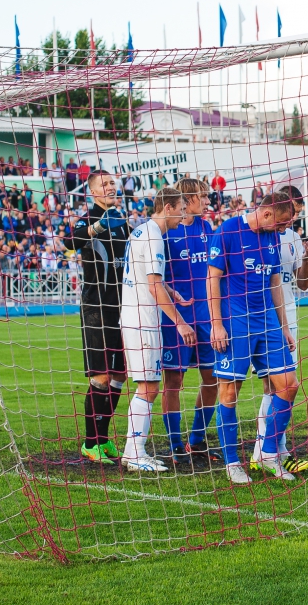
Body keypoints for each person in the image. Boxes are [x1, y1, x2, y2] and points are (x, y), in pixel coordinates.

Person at [207, 193, 299, 484]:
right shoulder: (228, 231)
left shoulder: (273, 237)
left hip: (268, 321)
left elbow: (275, 283)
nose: (283, 229)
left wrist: (283, 326)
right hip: (235, 322)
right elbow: (213, 279)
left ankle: (269, 454)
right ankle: (232, 462)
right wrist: (217, 325)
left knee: (289, 385)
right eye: (281, 223)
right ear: (268, 214)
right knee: (229, 394)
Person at [119, 188, 193, 471]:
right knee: (148, 387)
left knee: (149, 385)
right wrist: (181, 322)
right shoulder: (153, 237)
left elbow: (149, 281)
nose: (184, 215)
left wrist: (169, 290)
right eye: (181, 209)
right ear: (169, 207)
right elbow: (152, 286)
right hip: (143, 319)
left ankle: (132, 451)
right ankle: (135, 453)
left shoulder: (142, 231)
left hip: (135, 315)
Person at [62, 170, 131, 464]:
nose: (111, 187)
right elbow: (69, 241)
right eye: (105, 184)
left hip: (122, 307)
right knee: (101, 376)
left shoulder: (122, 222)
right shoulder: (88, 219)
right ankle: (91, 443)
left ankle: (103, 439)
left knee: (119, 376)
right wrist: (95, 228)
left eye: (113, 183)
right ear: (92, 192)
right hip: (96, 309)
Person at [249, 185, 308, 475]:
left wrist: (307, 258)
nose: (293, 221)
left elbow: (302, 284)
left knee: (282, 387)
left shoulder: (292, 237)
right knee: (276, 386)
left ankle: (268, 451)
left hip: (288, 317)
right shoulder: (262, 234)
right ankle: (271, 452)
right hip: (262, 318)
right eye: (291, 214)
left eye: (298, 215)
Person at [159, 179, 220, 463]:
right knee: (174, 379)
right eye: (203, 196)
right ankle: (174, 446)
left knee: (213, 377)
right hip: (176, 319)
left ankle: (196, 440)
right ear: (188, 199)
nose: (208, 201)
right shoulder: (165, 234)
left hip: (207, 318)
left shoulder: (207, 228)